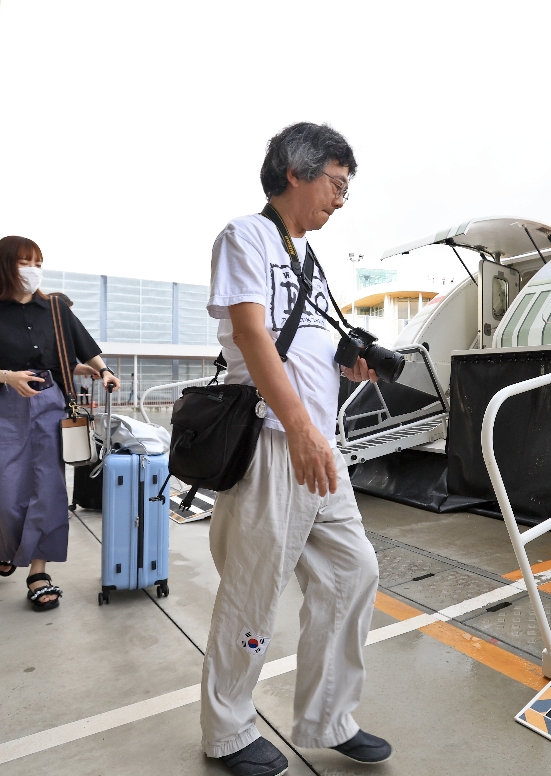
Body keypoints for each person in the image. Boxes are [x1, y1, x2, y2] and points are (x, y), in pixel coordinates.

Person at [202, 123, 389, 776]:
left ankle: (330, 716)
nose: (340, 199)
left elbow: (305, 340)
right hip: (275, 440)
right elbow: (253, 335)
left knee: (354, 571)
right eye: (336, 184)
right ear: (296, 172)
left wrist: (348, 362)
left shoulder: (309, 257)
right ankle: (227, 731)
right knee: (254, 590)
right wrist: (303, 427)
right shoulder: (246, 236)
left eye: (345, 189)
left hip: (318, 445)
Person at [0, 236, 120, 611]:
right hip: (1, 405)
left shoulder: (55, 309)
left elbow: (85, 346)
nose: (33, 270)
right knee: (4, 492)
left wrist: (104, 370)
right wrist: (7, 376)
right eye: (24, 262)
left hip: (49, 405)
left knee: (48, 490)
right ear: (4, 266)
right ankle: (7, 545)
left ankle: (38, 573)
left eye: (38, 263)